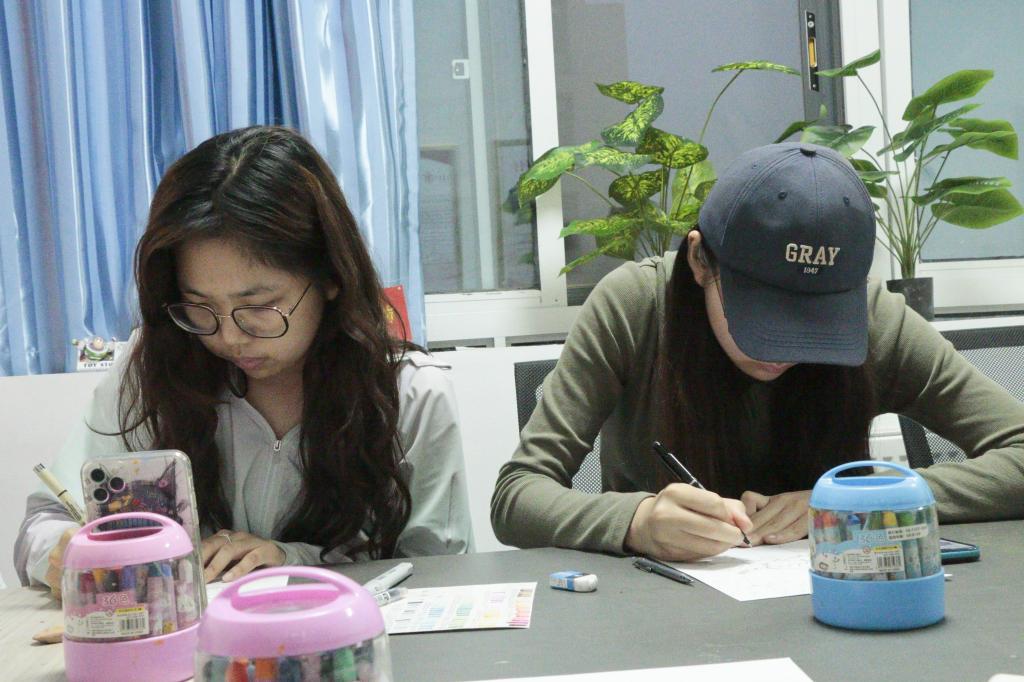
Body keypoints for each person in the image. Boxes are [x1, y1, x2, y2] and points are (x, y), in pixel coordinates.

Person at [491, 141, 1024, 562]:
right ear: (700, 261)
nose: (785, 350)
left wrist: (854, 501)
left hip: (839, 599)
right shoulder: (635, 307)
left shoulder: (875, 318)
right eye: (765, 314)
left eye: (816, 318)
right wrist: (636, 522)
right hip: (661, 616)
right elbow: (517, 494)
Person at [16, 126, 473, 594]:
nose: (229, 338)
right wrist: (65, 551)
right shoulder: (152, 369)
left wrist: (291, 562)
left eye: (258, 307)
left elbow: (437, 573)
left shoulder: (409, 394)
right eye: (200, 307)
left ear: (330, 276)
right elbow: (44, 522)